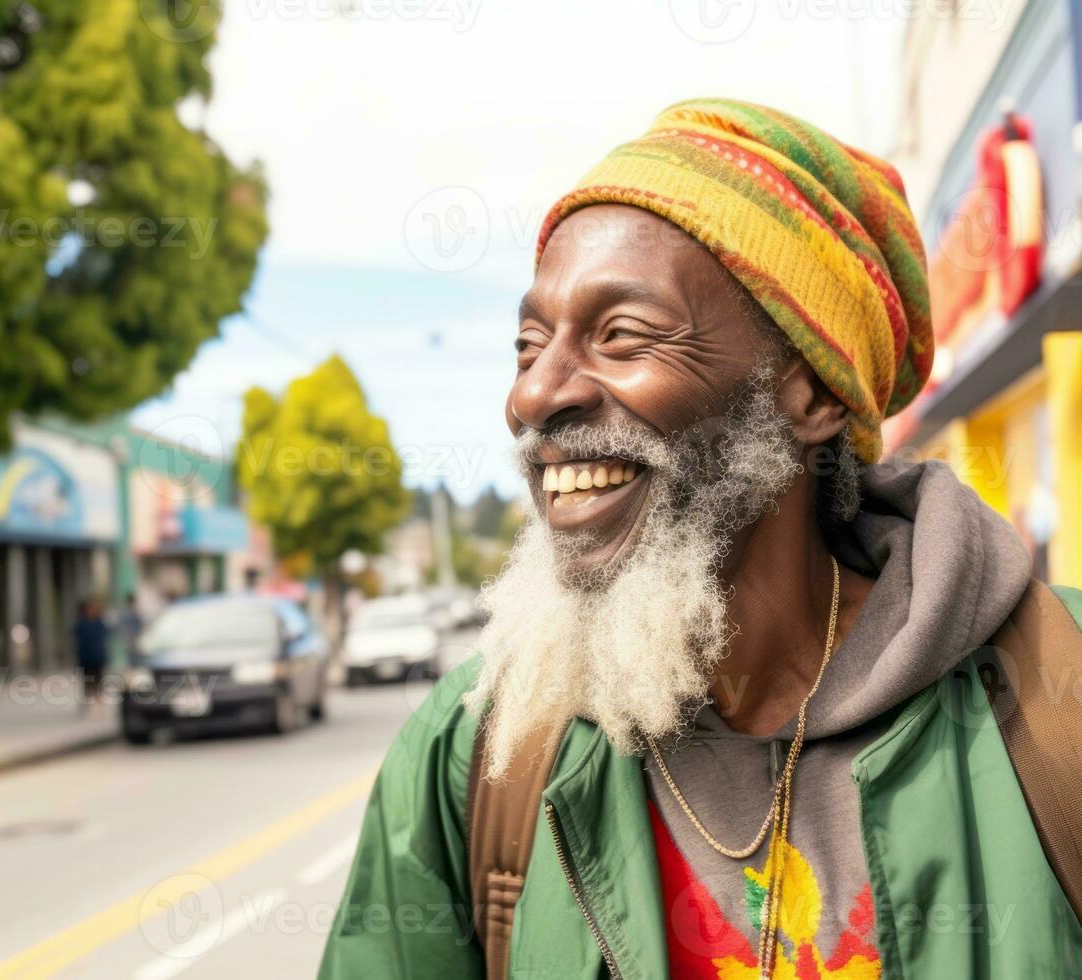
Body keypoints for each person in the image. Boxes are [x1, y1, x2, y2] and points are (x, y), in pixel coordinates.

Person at [320, 99, 1082, 978]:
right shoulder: (478, 755)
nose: (533, 398)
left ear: (809, 396)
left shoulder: (1053, 702)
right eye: (529, 346)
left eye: (620, 336)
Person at [72, 598, 109, 711]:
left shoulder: (99, 622)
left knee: (99, 681)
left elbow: (107, 634)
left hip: (98, 658)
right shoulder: (81, 624)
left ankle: (99, 705)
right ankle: (87, 703)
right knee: (87, 681)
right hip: (86, 658)